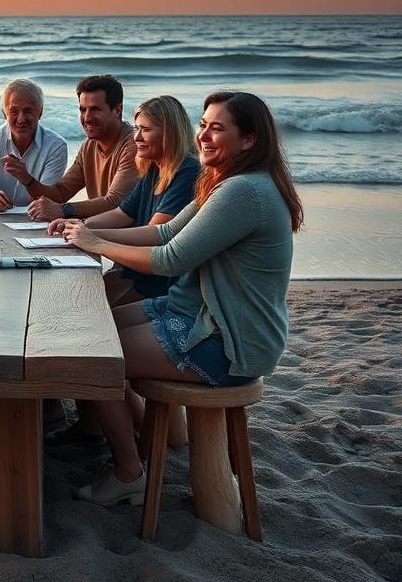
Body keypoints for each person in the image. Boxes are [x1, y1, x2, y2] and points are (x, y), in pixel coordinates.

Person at [51, 92, 303, 506]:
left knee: (88, 354)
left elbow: (169, 259)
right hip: (194, 314)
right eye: (203, 124)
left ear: (250, 139)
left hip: (227, 340)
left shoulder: (244, 192)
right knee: (93, 327)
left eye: (217, 128)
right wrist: (81, 232)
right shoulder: (223, 181)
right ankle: (140, 440)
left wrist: (96, 241)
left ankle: (129, 471)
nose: (203, 134)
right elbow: (164, 233)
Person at [76, 96, 199, 308]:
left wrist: (93, 238)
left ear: (170, 132)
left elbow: (156, 235)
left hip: (156, 282)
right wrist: (79, 226)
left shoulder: (187, 171)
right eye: (136, 128)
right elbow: (121, 214)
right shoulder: (154, 168)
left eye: (146, 129)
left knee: (90, 308)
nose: (137, 138)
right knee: (80, 299)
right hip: (132, 272)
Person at [20, 74, 139, 221]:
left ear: (117, 110)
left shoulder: (134, 144)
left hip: (129, 235)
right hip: (99, 229)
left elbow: (115, 202)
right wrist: (27, 179)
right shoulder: (89, 145)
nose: (87, 118)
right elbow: (61, 193)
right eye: (83, 110)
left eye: (95, 109)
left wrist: (63, 209)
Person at [0, 78, 68, 211]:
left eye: (27, 111)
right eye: (14, 111)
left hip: (36, 221)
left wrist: (26, 178)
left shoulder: (56, 146)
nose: (21, 119)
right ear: (4, 114)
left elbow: (46, 199)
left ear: (40, 112)